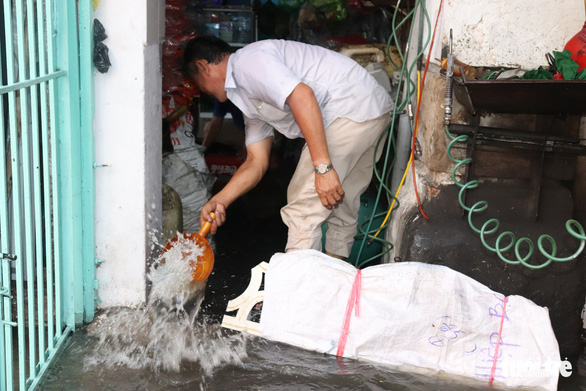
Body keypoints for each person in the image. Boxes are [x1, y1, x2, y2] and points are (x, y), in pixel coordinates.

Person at [184, 36, 393, 259]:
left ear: (202, 66)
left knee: (303, 207)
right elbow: (256, 161)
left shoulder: (248, 63)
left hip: (348, 108)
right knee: (340, 203)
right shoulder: (246, 94)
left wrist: (322, 167)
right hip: (369, 111)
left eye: (198, 85)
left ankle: (300, 288)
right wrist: (220, 200)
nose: (204, 92)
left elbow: (302, 96)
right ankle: (333, 284)